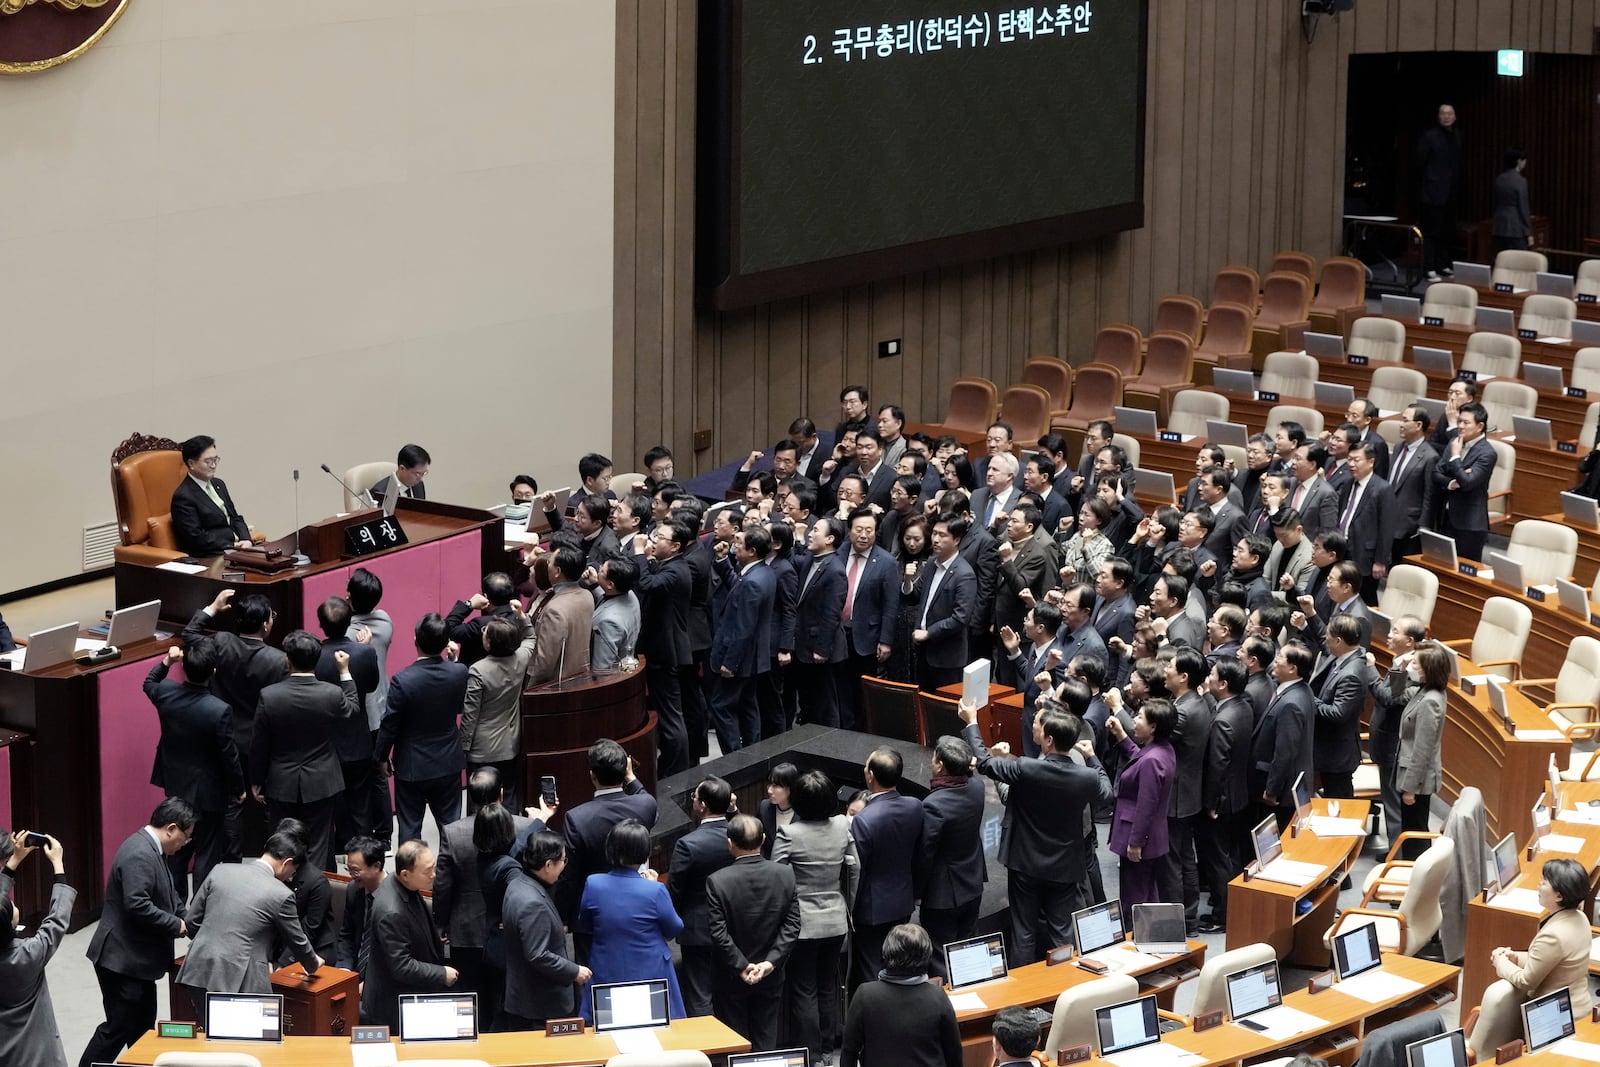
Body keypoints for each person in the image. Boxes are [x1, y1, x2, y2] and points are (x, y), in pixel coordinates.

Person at [960, 701, 1110, 963]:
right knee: (1062, 932)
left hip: (1025, 863)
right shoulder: (1086, 776)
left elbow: (984, 763)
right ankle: (1064, 990)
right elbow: (1108, 794)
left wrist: (972, 721)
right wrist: (1092, 756)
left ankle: (1024, 996)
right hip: (1065, 865)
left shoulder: (1026, 768)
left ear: (1048, 740)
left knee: (1023, 932)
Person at [80, 799, 196, 1067]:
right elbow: (138, 905)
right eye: (185, 837)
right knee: (119, 1027)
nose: (184, 844)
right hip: (121, 960)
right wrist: (175, 925)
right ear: (171, 829)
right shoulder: (139, 854)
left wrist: (187, 919)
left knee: (142, 1029)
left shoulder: (154, 850)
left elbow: (169, 895)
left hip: (137, 960)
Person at [183, 588, 287, 857]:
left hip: (223, 737)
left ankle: (231, 858)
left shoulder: (221, 642)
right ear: (266, 625)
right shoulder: (278, 660)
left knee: (231, 803)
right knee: (260, 803)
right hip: (258, 742)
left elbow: (190, 635)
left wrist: (213, 607)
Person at [251, 631, 360, 872]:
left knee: (281, 843)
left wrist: (257, 780)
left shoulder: (269, 696)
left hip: (281, 781)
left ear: (287, 660)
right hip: (323, 780)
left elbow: (260, 743)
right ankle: (315, 899)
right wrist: (344, 671)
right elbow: (352, 709)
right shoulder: (331, 693)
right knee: (319, 844)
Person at [144, 640, 241, 896]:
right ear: (214, 671)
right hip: (209, 793)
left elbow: (149, 681)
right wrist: (238, 789)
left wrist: (168, 660)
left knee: (176, 849)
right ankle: (200, 911)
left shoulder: (165, 693)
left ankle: (176, 905)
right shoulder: (219, 710)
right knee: (206, 853)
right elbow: (229, 756)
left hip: (175, 784)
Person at [177, 831, 321, 999]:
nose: (290, 877)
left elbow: (192, 921)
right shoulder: (281, 894)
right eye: (293, 871)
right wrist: (312, 964)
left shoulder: (220, 871)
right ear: (286, 863)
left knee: (209, 1024)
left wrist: (212, 944)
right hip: (242, 978)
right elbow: (297, 940)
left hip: (199, 967)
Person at [774, 769, 858, 1056]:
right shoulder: (840, 825)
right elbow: (854, 868)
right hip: (836, 920)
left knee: (804, 989)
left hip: (802, 924)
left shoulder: (789, 832)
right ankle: (826, 1048)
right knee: (828, 985)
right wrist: (849, 904)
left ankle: (811, 1052)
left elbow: (777, 876)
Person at [435, 771, 532, 1018]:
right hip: (510, 927)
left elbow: (443, 884)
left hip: (466, 929)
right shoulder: (525, 826)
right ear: (502, 793)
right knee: (509, 994)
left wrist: (441, 922)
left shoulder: (452, 832)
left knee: (470, 1000)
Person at [706, 813, 802, 1051]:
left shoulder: (717, 881)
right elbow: (792, 926)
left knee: (735, 1042)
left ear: (730, 843)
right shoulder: (785, 874)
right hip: (771, 975)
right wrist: (770, 963)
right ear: (763, 839)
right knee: (766, 1037)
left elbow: (718, 933)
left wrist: (741, 966)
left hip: (730, 976)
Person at [577, 819, 686, 1022]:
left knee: (606, 1028)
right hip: (651, 971)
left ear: (610, 849)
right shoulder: (655, 890)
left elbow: (585, 924)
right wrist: (654, 886)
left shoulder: (594, 883)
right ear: (644, 852)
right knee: (655, 1026)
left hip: (607, 967)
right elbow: (674, 928)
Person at [376, 612, 469, 846]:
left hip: (412, 765)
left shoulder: (402, 680)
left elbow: (390, 724)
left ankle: (409, 880)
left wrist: (381, 756)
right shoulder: (459, 671)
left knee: (409, 829)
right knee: (452, 828)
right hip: (448, 761)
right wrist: (453, 661)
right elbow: (459, 707)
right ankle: (454, 879)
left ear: (415, 640)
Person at [556, 740, 659, 929]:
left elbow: (569, 874)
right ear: (625, 771)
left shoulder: (577, 818)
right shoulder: (646, 805)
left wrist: (562, 916)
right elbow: (643, 794)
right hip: (636, 906)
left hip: (593, 913)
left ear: (592, 776)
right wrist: (631, 776)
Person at [848, 748, 924, 989]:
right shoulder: (915, 806)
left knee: (870, 969)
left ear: (870, 775)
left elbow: (859, 869)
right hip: (902, 901)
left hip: (870, 908)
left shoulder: (864, 819)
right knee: (898, 963)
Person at [311, 596, 383, 851]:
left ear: (320, 624)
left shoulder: (314, 656)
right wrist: (365, 648)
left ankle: (339, 849)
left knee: (331, 803)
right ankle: (363, 851)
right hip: (358, 739)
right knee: (361, 801)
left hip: (325, 743)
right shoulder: (365, 652)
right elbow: (373, 686)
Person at [363, 840, 457, 1029]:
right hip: (394, 1006)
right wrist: (441, 974)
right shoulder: (392, 912)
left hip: (408, 992)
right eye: (428, 871)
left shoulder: (401, 883)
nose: (434, 875)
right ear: (405, 874)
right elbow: (401, 966)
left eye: (434, 867)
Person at [501, 830, 591, 1029]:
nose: (564, 867)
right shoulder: (533, 903)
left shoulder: (517, 883)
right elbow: (538, 955)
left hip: (524, 993)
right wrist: (574, 970)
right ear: (549, 864)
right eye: (563, 861)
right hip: (541, 1004)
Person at [840, 923, 962, 1067]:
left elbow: (849, 1053)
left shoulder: (865, 995)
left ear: (886, 954)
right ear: (927, 956)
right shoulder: (938, 997)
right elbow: (954, 1053)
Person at [0, 831, 74, 1067]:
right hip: (37, 1057)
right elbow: (57, 921)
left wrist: (13, 863)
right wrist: (58, 866)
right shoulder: (28, 954)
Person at [915, 735, 987, 976]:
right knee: (967, 947)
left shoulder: (934, 804)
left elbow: (925, 854)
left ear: (940, 766)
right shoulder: (977, 787)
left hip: (943, 894)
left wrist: (917, 892)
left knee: (940, 956)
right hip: (973, 881)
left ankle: (951, 1008)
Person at [1491, 858, 1594, 1017]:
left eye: (1544, 882)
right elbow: (1553, 961)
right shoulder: (1580, 917)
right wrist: (1515, 956)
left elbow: (1526, 981)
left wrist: (1501, 963)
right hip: (1580, 1005)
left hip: (1555, 1016)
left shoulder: (1553, 936)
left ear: (1558, 896)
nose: (1539, 884)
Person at [631, 518, 695, 774]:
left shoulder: (677, 570)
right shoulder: (669, 564)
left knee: (671, 718)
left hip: (666, 652)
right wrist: (646, 559)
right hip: (661, 648)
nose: (654, 540)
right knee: (667, 714)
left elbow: (647, 584)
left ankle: (677, 772)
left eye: (660, 538)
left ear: (676, 546)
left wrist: (638, 553)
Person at [669, 777, 735, 1017]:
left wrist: (669, 925)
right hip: (732, 926)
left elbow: (675, 890)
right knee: (728, 992)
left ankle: (706, 1052)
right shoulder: (739, 837)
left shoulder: (688, 844)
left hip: (697, 930)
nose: (693, 801)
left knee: (699, 994)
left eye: (695, 797)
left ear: (702, 805)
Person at [461, 600, 536, 813]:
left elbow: (470, 715)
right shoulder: (521, 658)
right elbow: (530, 636)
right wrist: (521, 616)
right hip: (510, 744)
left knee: (480, 803)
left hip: (481, 749)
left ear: (489, 643)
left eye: (486, 632)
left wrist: (463, 749)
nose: (483, 632)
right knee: (509, 796)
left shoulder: (478, 670)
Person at [709, 526, 778, 750]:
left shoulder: (753, 581)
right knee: (748, 705)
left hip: (740, 657)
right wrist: (722, 561)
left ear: (752, 550)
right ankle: (752, 752)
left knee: (721, 706)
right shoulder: (762, 572)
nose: (734, 546)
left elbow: (743, 628)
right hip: (753, 657)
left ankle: (734, 757)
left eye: (740, 544)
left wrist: (730, 663)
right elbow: (737, 589)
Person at [1198, 662, 1251, 933]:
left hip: (1222, 801)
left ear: (1223, 684)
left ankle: (1222, 915)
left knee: (1217, 858)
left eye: (1213, 676)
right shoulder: (1243, 706)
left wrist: (1209, 804)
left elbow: (1217, 767)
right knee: (1230, 855)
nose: (1209, 678)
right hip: (1239, 794)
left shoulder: (1222, 720)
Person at [1108, 698, 1176, 906]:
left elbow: (1146, 805)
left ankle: (1133, 936)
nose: (1134, 720)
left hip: (1138, 837)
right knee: (1146, 892)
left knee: (1134, 899)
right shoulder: (1162, 749)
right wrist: (1121, 735)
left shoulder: (1152, 761)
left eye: (1139, 717)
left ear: (1153, 726)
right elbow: (1140, 757)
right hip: (1151, 834)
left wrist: (1136, 842)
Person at [346, 568, 396, 846]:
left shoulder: (349, 633)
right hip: (381, 709)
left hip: (358, 714)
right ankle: (385, 836)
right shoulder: (385, 621)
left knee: (358, 779)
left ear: (349, 595)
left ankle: (361, 836)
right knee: (379, 772)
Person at [903, 515, 978, 691]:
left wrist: (928, 633)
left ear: (956, 540)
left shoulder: (964, 574)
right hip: (923, 651)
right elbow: (914, 596)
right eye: (934, 533)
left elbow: (960, 618)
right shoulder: (931, 564)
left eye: (942, 535)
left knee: (943, 709)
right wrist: (907, 580)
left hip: (947, 657)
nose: (935, 539)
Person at [1392, 641, 1449, 851]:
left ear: (1428, 669)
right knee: (1413, 828)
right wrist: (1400, 668)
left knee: (1415, 833)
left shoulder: (1430, 701)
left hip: (1416, 780)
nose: (1412, 667)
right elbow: (1396, 694)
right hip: (1410, 774)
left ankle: (1416, 873)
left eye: (1415, 664)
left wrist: (1410, 788)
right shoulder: (1425, 690)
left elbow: (1422, 750)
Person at [1426, 401, 1496, 564]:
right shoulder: (1454, 442)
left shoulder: (1487, 453)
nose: (1461, 426)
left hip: (1470, 525)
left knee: (1465, 574)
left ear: (1479, 426)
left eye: (1466, 422)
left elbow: (1467, 483)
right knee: (1442, 566)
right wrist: (1451, 483)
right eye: (1459, 422)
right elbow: (1436, 474)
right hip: (1447, 517)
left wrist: (1456, 457)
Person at [170, 434, 253, 557]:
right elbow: (197, 538)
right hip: (211, 555)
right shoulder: (183, 497)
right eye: (208, 461)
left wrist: (246, 539)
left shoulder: (218, 484)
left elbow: (235, 517)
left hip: (236, 549)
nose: (213, 465)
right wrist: (231, 545)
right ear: (191, 463)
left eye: (215, 460)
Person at [1416, 103, 1463, 280]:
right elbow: (1420, 163)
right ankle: (1428, 268)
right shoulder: (1429, 137)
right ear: (1438, 116)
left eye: (1450, 113)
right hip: (1432, 193)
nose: (1446, 116)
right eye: (1443, 113)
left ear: (1455, 116)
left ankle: (1443, 265)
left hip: (1451, 193)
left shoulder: (1457, 136)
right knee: (1430, 233)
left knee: (1447, 231)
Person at [446, 572, 520, 670]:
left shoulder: (482, 624)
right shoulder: (520, 618)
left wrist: (469, 604)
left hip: (478, 678)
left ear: (485, 597)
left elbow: (447, 629)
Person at [336, 836, 385, 974]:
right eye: (348, 869)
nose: (352, 875)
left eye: (356, 870)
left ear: (376, 866)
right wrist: (344, 970)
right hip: (354, 970)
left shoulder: (396, 896)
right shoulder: (353, 889)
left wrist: (371, 983)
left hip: (382, 977)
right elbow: (347, 935)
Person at [590, 555, 641, 670]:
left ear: (610, 584)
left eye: (601, 571)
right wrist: (594, 585)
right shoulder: (630, 594)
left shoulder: (608, 622)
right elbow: (610, 600)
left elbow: (602, 668)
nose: (598, 570)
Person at [1492, 148, 1533, 253]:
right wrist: (1528, 232)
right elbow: (1523, 208)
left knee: (1501, 259)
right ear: (1519, 161)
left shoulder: (1499, 179)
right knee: (1518, 260)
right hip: (1515, 227)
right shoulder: (1520, 181)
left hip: (1498, 226)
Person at [757, 762, 798, 860]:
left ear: (790, 788)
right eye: (769, 784)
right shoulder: (764, 807)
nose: (769, 790)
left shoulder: (804, 812)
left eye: (776, 786)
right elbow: (758, 841)